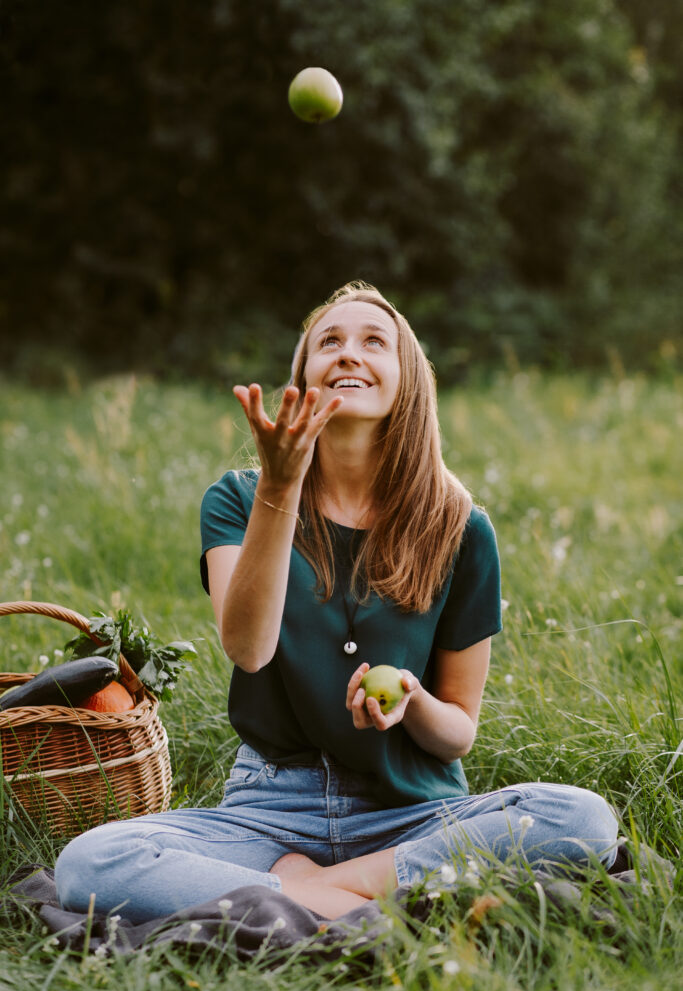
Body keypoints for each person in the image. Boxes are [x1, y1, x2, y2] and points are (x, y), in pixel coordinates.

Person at [55, 282, 618, 924]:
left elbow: (459, 731)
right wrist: (281, 482)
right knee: (89, 863)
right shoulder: (238, 499)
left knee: (581, 818)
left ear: (407, 382)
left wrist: (411, 701)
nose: (349, 354)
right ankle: (378, 904)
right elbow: (248, 646)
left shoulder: (460, 527)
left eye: (373, 342)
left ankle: (319, 896)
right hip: (269, 818)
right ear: (304, 378)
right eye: (330, 341)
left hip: (413, 813)